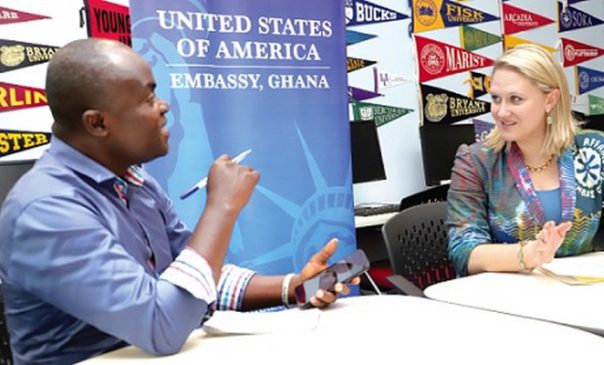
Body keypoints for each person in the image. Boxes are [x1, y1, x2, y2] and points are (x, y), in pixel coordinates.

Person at [0, 38, 357, 364]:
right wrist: (221, 208)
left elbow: (194, 280)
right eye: (147, 99)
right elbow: (162, 326)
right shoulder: (47, 210)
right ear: (97, 123)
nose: (164, 106)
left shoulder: (134, 182)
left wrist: (291, 287)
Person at [447, 44, 604, 277]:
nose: (501, 112)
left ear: (550, 100)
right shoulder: (476, 161)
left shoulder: (598, 150)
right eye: (496, 98)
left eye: (515, 99)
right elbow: (463, 251)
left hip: (581, 293)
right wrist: (529, 254)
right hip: (507, 298)